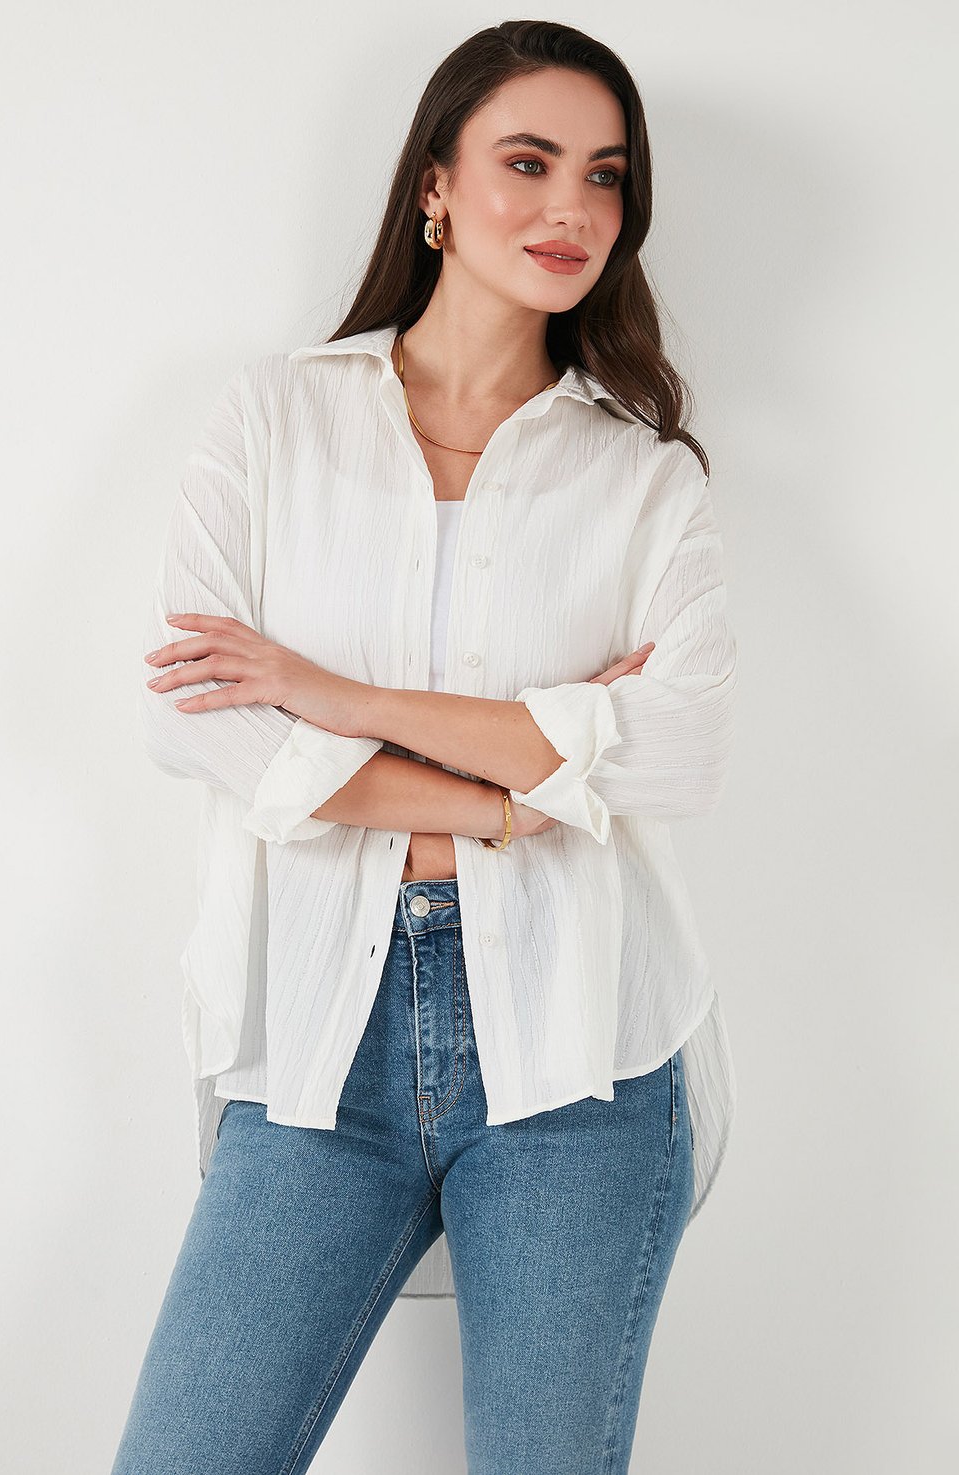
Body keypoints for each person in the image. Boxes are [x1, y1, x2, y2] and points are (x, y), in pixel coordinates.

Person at [113, 18, 738, 1475]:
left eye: (605, 175)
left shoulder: (642, 480)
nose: (572, 207)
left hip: (583, 1058)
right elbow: (193, 712)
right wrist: (526, 787)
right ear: (436, 188)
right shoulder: (277, 419)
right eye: (529, 162)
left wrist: (330, 691)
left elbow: (677, 753)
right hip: (318, 1042)